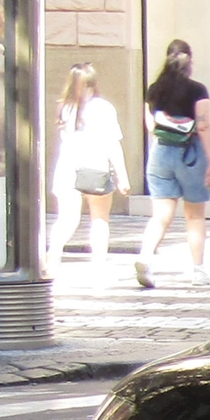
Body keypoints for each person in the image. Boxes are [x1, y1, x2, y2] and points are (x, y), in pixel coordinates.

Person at [136, 37, 210, 288]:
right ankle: (198, 270)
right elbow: (202, 125)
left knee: (160, 215)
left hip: (160, 153)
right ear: (190, 61)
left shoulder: (154, 89)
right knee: (194, 216)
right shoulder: (198, 90)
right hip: (190, 154)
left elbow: (149, 126)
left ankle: (146, 259)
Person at [47, 62, 128, 278]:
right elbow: (113, 144)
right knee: (99, 220)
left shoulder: (65, 107)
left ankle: (53, 257)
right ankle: (98, 265)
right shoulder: (103, 108)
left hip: (67, 170)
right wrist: (122, 176)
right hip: (96, 169)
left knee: (66, 219)